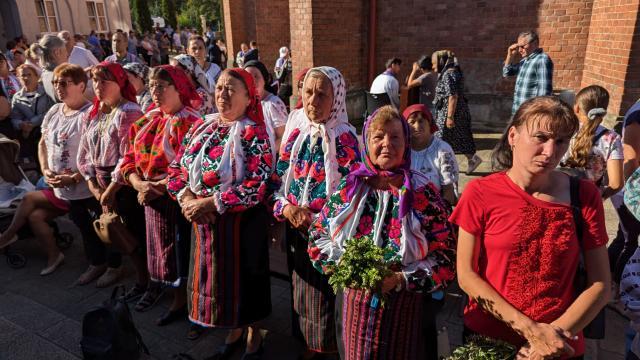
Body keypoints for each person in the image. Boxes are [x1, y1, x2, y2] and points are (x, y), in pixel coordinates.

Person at [451, 96, 610, 360]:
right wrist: (530, 331)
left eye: (560, 141)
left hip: (560, 346)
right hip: (489, 341)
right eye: (540, 137)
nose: (550, 152)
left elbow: (601, 284)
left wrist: (551, 338)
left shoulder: (583, 195)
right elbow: (466, 275)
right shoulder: (480, 193)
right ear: (513, 136)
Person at [307, 105, 456, 360]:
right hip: (354, 303)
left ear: (406, 143)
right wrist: (346, 269)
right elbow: (317, 236)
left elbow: (447, 259)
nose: (387, 144)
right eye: (378, 136)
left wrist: (400, 278)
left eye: (395, 137)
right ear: (366, 142)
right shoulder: (350, 187)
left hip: (404, 307)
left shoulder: (423, 193)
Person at [167, 68, 273, 359]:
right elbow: (176, 169)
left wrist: (212, 203)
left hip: (241, 225)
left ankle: (254, 332)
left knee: (246, 282)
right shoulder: (203, 126)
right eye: (220, 88)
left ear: (247, 96)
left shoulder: (254, 132)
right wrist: (187, 197)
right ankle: (235, 327)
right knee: (221, 284)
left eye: (231, 89)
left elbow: (258, 184)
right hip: (203, 222)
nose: (223, 94)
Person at [271, 66, 361, 359]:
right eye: (308, 92)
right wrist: (287, 209)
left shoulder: (346, 139)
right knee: (301, 290)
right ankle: (306, 345)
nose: (313, 100)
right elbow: (278, 181)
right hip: (295, 228)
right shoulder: (298, 132)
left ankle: (327, 349)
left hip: (328, 238)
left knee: (325, 297)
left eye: (322, 94)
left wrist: (318, 220)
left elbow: (354, 197)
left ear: (337, 98)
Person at [120, 65, 200, 330]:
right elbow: (129, 158)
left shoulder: (191, 122)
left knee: (179, 251)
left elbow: (191, 167)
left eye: (162, 86)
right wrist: (138, 183)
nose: (155, 91)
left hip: (175, 199)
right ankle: (168, 295)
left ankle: (184, 302)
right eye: (152, 85)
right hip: (149, 196)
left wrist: (155, 187)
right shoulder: (148, 119)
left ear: (179, 89)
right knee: (160, 249)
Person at [0, 64, 93, 275]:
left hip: (80, 188)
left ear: (81, 85)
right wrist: (45, 168)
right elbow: (42, 143)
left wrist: (73, 177)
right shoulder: (54, 110)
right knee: (35, 217)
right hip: (56, 184)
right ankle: (54, 255)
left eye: (64, 83)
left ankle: (7, 236)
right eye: (55, 83)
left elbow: (94, 154)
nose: (58, 87)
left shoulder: (88, 114)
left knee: (29, 199)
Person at [76, 62, 147, 288]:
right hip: (100, 182)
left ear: (119, 83)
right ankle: (120, 270)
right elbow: (83, 151)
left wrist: (110, 190)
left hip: (122, 183)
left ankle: (145, 279)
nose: (98, 86)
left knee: (132, 233)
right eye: (95, 80)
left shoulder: (129, 112)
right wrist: (92, 184)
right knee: (110, 229)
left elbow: (128, 156)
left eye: (105, 81)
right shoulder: (93, 113)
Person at [560, 85, 623, 198]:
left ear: (577, 108)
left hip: (559, 192)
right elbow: (616, 184)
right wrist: (599, 197)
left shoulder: (564, 128)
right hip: (589, 200)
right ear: (604, 110)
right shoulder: (612, 138)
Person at [432, 50, 482, 175]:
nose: (433, 67)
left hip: (451, 113)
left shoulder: (449, 74)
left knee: (441, 139)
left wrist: (449, 117)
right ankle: (472, 159)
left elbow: (452, 96)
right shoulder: (452, 72)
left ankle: (440, 166)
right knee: (459, 138)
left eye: (434, 63)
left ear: (441, 61)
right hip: (455, 112)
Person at [403, 104, 458, 205]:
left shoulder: (442, 150)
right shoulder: (402, 148)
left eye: (421, 121)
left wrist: (440, 213)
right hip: (406, 205)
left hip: (435, 207)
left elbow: (448, 191)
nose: (417, 126)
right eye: (412, 122)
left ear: (430, 124)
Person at [10, 64, 55, 165]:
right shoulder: (17, 97)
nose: (26, 78)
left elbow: (50, 111)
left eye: (29, 75)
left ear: (36, 76)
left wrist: (32, 123)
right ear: (18, 78)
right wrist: (21, 124)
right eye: (22, 75)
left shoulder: (46, 91)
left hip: (48, 134)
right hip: (29, 137)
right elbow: (14, 118)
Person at [503, 30, 554, 115]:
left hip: (529, 114)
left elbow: (544, 94)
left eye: (522, 46)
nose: (519, 50)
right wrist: (510, 56)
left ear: (535, 43)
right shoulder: (525, 61)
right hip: (518, 111)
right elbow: (507, 73)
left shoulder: (542, 60)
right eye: (518, 46)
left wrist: (536, 116)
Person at [243, 60, 287, 153]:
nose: (253, 81)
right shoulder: (243, 103)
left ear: (264, 79)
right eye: (248, 77)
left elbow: (283, 137)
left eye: (256, 76)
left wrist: (263, 155)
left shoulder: (273, 103)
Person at [32, 35, 69, 102]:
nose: (67, 54)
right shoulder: (60, 76)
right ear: (57, 52)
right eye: (65, 50)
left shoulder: (45, 74)